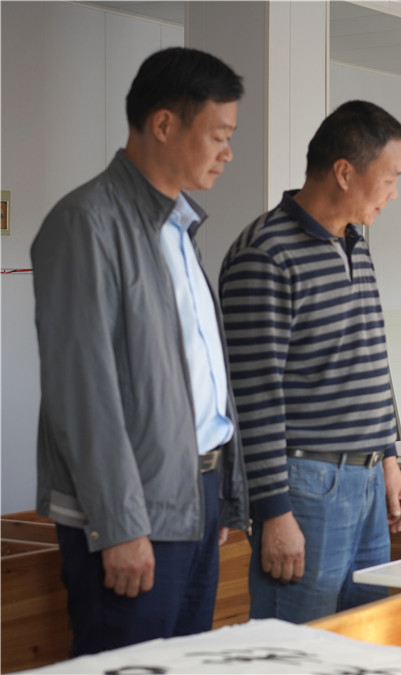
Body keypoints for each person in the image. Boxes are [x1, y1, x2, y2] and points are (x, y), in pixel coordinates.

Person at [31, 47, 249, 657]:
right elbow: (85, 396)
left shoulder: (178, 226)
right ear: (163, 124)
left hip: (195, 495)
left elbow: (198, 376)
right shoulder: (87, 222)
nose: (228, 152)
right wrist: (120, 525)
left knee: (183, 664)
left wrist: (219, 495)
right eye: (219, 135)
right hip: (134, 513)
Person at [219, 100, 401, 624]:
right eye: (390, 178)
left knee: (363, 639)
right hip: (305, 486)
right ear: (345, 172)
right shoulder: (266, 253)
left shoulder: (355, 244)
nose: (394, 193)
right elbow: (253, 397)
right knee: (298, 647)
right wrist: (273, 512)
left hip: (368, 481)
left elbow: (369, 363)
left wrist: (388, 459)